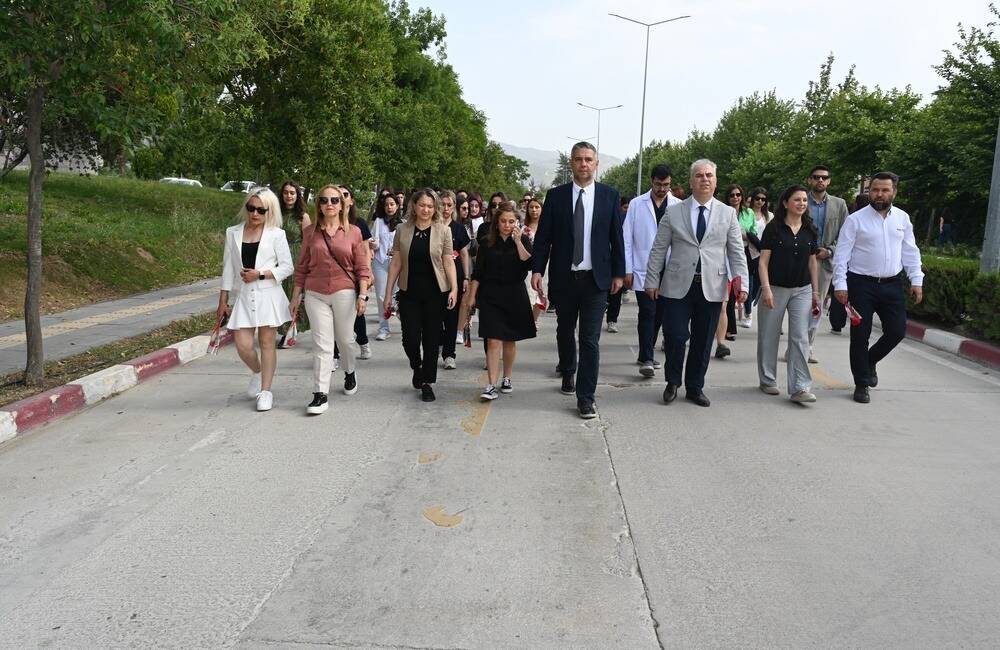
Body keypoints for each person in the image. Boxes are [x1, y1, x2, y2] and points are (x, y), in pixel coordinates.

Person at [531, 141, 625, 419]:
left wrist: (619, 273)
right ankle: (568, 369)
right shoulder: (556, 196)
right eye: (578, 159)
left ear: (596, 164)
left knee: (589, 340)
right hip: (565, 278)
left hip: (596, 280)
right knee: (564, 330)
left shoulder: (609, 196)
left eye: (588, 159)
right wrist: (537, 270)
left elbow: (617, 238)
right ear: (571, 163)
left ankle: (586, 398)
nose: (583, 164)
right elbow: (544, 238)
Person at [644, 159, 749, 408]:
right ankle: (672, 382)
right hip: (677, 285)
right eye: (699, 175)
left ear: (716, 181)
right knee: (675, 335)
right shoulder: (674, 211)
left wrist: (742, 283)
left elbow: (736, 252)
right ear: (691, 181)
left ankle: (695, 387)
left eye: (709, 175)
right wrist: (652, 279)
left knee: (703, 340)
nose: (705, 179)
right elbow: (659, 249)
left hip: (712, 286)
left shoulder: (727, 213)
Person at [833, 171, 923, 404]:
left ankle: (870, 360)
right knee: (860, 336)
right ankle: (861, 383)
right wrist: (840, 284)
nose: (879, 194)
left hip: (892, 284)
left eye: (884, 190)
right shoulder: (855, 220)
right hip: (860, 284)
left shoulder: (902, 218)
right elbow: (841, 255)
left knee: (897, 331)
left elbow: (910, 251)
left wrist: (916, 279)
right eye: (875, 190)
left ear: (894, 192)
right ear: (869, 191)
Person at [290, 185, 372, 415]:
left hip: (344, 291)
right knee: (322, 344)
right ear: (318, 205)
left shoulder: (353, 232)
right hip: (315, 293)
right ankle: (320, 394)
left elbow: (362, 267)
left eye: (335, 200)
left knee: (345, 340)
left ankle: (349, 370)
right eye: (324, 200)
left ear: (342, 205)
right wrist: (295, 296)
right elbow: (302, 266)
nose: (330, 204)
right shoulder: (310, 232)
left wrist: (362, 295)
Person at [217, 188, 294, 412]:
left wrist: (260, 274)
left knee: (267, 343)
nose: (255, 214)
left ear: (270, 211)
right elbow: (228, 268)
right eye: (251, 208)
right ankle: (258, 372)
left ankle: (266, 391)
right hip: (244, 295)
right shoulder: (233, 232)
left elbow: (287, 267)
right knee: (243, 345)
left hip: (268, 294)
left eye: (261, 210)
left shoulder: (276, 234)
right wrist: (223, 301)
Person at [383, 188, 458, 402]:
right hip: (409, 293)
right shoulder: (402, 229)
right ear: (414, 206)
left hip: (436, 293)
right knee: (410, 339)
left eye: (430, 206)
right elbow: (396, 263)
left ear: (435, 208)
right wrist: (388, 293)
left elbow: (448, 262)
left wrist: (453, 288)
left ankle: (427, 382)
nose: (426, 209)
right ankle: (417, 366)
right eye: (422, 205)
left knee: (432, 339)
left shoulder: (443, 230)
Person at [462, 201, 536, 400]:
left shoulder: (523, 240)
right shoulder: (486, 242)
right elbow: (478, 273)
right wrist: (471, 297)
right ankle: (490, 385)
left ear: (517, 223)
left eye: (511, 221)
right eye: (503, 221)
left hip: (515, 295)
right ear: (497, 222)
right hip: (491, 296)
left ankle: (507, 377)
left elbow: (529, 263)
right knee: (493, 339)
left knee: (510, 340)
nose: (507, 225)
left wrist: (518, 242)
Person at [756, 186, 821, 403]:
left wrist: (816, 291)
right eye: (797, 200)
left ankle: (800, 387)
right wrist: (766, 288)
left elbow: (813, 263)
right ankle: (767, 380)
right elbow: (763, 262)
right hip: (775, 288)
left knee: (800, 336)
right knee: (769, 335)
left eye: (804, 200)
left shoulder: (810, 229)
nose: (802, 203)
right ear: (785, 203)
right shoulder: (773, 228)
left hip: (802, 290)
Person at [624, 164, 682, 378]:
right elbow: (626, 238)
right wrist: (627, 269)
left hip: (669, 269)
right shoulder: (636, 204)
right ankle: (647, 357)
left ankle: (644, 352)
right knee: (647, 311)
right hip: (643, 267)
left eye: (666, 185)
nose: (662, 189)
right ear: (651, 182)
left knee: (660, 314)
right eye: (658, 184)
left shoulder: (678, 205)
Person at [806, 165, 849, 355]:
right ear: (809, 180)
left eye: (824, 177)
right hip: (801, 260)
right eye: (816, 177)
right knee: (798, 305)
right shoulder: (800, 200)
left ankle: (807, 346)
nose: (820, 180)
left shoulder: (839, 205)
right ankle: (796, 344)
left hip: (824, 262)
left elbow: (846, 235)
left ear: (829, 181)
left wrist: (830, 251)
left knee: (816, 305)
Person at [713, 184, 748, 359]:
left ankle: (720, 343)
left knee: (723, 306)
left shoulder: (733, 215)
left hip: (724, 269)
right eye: (732, 195)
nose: (735, 197)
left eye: (738, 194)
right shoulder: (718, 212)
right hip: (701, 269)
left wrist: (742, 284)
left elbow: (737, 251)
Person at [276, 181, 311, 348]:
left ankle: (289, 331)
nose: (289, 196)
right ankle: (284, 327)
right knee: (279, 295)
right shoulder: (275, 214)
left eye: (292, 193)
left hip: (296, 257)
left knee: (292, 294)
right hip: (277, 258)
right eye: (286, 192)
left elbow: (309, 243)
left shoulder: (302, 217)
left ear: (297, 195)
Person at [439, 190, 472, 369]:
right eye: (442, 205)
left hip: (455, 276)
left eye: (449, 205)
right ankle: (439, 342)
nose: (445, 208)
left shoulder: (458, 228)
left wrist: (466, 277)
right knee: (435, 315)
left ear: (454, 208)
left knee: (452, 316)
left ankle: (449, 354)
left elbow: (464, 254)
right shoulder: (432, 226)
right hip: (435, 276)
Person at [371, 193, 401, 341]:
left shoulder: (403, 224)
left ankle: (407, 323)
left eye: (392, 204)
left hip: (397, 263)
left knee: (398, 295)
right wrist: (373, 244)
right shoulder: (378, 222)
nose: (389, 207)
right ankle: (384, 328)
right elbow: (373, 240)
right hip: (380, 262)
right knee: (381, 296)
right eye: (387, 204)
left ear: (397, 206)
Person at [738, 186, 767, 329]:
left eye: (763, 199)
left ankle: (748, 303)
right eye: (757, 198)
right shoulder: (746, 214)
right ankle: (748, 313)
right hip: (749, 251)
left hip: (764, 253)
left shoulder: (769, 216)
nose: (760, 201)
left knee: (758, 284)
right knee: (748, 282)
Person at [522, 198, 544, 320]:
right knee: (529, 293)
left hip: (544, 265)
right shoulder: (523, 228)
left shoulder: (547, 227)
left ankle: (534, 321)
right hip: (528, 265)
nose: (534, 210)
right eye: (531, 207)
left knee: (541, 294)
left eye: (537, 207)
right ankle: (527, 322)